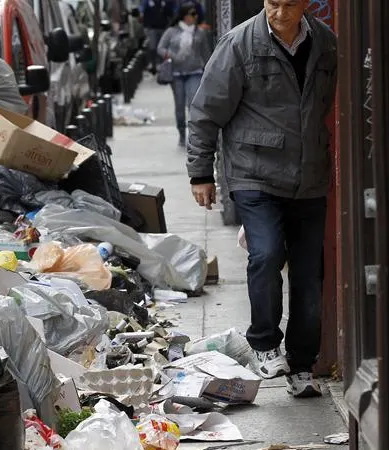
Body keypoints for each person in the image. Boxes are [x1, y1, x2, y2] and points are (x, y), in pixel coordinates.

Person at [186, 0, 337, 398]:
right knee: (267, 254)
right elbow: (205, 111)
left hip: (309, 178)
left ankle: (302, 364)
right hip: (254, 173)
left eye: (289, 4)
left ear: (306, 4)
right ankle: (265, 342)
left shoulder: (325, 43)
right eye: (272, 3)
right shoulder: (239, 44)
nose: (279, 13)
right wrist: (201, 173)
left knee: (309, 275)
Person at [157, 2, 213, 147]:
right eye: (192, 14)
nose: (195, 17)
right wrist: (172, 55)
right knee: (179, 106)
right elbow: (160, 48)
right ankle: (181, 132)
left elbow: (206, 54)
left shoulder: (200, 33)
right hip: (176, 74)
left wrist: (209, 73)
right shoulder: (171, 31)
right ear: (184, 16)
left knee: (193, 105)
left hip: (195, 72)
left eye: (196, 14)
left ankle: (192, 135)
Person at [140, 0, 175, 73]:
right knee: (152, 47)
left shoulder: (164, 2)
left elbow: (170, 14)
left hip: (163, 27)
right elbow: (144, 14)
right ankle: (153, 64)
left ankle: (161, 64)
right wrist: (145, 27)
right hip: (152, 28)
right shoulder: (148, 2)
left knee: (161, 47)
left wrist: (165, 6)